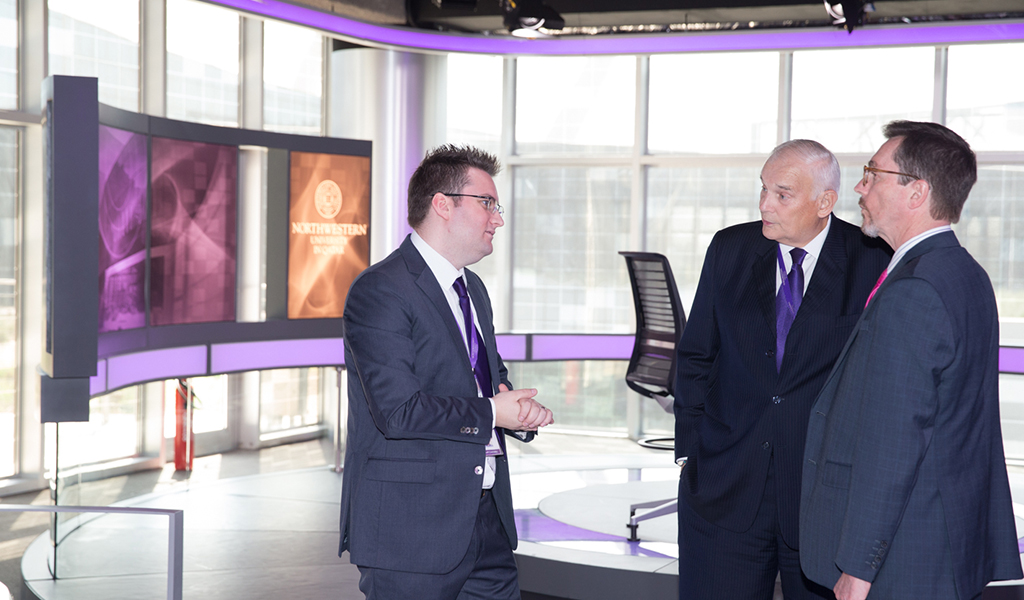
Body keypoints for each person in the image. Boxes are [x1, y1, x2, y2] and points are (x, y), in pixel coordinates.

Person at [799, 121, 1023, 600]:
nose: (859, 187)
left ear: (917, 191)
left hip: (904, 555)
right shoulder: (966, 274)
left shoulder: (915, 291)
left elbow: (894, 442)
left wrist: (858, 568)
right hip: (943, 538)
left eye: (872, 173)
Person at [674, 139, 891, 600]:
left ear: (825, 202)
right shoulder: (730, 248)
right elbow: (696, 354)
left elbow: (879, 385)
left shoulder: (872, 260)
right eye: (764, 189)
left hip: (822, 501)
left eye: (782, 194)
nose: (765, 204)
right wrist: (691, 450)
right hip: (724, 487)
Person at [339, 145, 554, 600]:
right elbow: (398, 412)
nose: (497, 218)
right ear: (442, 205)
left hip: (486, 523)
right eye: (488, 204)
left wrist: (515, 406)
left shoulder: (471, 287)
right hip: (411, 532)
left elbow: (482, 380)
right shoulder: (380, 291)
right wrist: (493, 413)